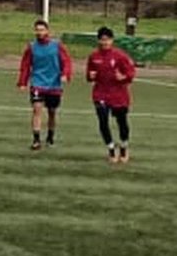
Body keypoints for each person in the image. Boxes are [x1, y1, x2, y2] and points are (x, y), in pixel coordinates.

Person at [17, 17, 73, 151]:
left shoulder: (57, 46)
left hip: (54, 84)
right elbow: (25, 65)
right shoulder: (31, 47)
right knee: (37, 109)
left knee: (52, 112)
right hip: (38, 82)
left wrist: (65, 74)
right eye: (37, 30)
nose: (39, 32)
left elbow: (66, 61)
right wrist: (22, 82)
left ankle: (50, 136)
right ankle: (36, 140)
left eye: (42, 30)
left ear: (47, 31)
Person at [86, 26, 137, 164]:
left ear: (112, 40)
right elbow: (89, 76)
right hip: (100, 94)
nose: (105, 43)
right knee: (103, 121)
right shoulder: (94, 56)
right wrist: (91, 76)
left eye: (107, 39)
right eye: (102, 40)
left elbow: (131, 73)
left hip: (119, 95)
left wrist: (124, 77)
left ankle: (124, 146)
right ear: (98, 41)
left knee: (122, 123)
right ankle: (111, 149)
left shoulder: (120, 56)